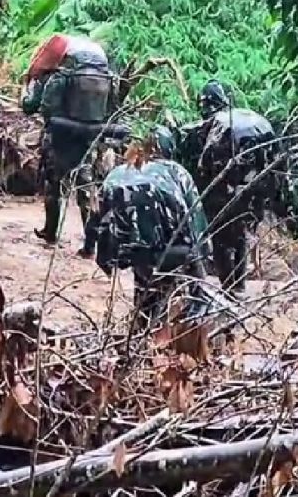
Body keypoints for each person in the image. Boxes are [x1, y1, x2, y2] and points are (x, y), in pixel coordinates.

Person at [93, 126, 210, 327]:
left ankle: (142, 329)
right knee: (186, 267)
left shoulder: (116, 174)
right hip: (173, 252)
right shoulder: (176, 172)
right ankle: (197, 311)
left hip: (127, 253)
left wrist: (104, 259)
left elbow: (97, 220)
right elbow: (197, 219)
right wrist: (203, 258)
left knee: (145, 275)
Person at [179, 80, 284, 297]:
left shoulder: (214, 124)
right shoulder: (253, 121)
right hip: (253, 193)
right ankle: (239, 286)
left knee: (220, 239)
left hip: (224, 193)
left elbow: (201, 164)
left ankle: (229, 289)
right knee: (239, 237)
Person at [22, 38, 116, 254]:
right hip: (88, 139)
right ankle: (90, 245)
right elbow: (111, 110)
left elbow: (38, 107)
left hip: (59, 139)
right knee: (85, 187)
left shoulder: (60, 77)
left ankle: (51, 232)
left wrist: (29, 92)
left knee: (53, 185)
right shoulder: (106, 79)